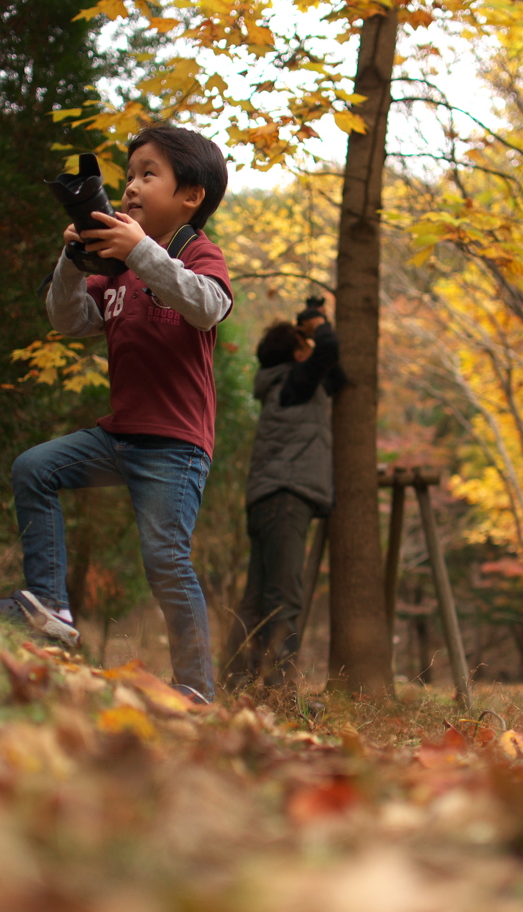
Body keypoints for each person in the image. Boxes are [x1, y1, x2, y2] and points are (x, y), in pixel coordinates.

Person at [0, 124, 232, 704]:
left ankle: (196, 688)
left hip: (175, 445)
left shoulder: (194, 252)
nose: (130, 188)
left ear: (191, 196)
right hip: (119, 436)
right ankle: (52, 605)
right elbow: (69, 320)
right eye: (127, 177)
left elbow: (208, 308)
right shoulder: (120, 269)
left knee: (164, 561)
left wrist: (139, 251)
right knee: (34, 467)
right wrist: (74, 259)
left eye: (147, 174)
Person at [225, 298, 346, 690]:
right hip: (285, 498)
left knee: (257, 599)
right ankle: (280, 691)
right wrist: (317, 324)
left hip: (266, 498)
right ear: (296, 353)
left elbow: (337, 377)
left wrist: (311, 328)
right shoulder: (293, 383)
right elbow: (328, 352)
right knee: (285, 598)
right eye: (304, 345)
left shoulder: (286, 386)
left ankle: (232, 684)